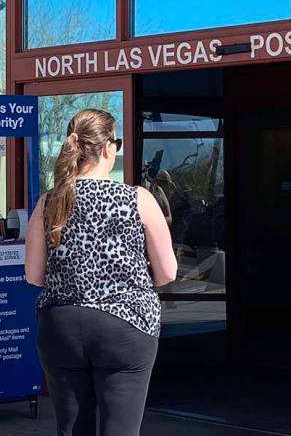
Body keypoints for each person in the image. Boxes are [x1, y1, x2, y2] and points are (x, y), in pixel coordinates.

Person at [25, 109, 178, 436]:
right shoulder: (138, 199)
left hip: (61, 325)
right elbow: (167, 272)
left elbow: (34, 276)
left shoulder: (49, 202)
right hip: (126, 324)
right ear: (109, 147)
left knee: (71, 428)